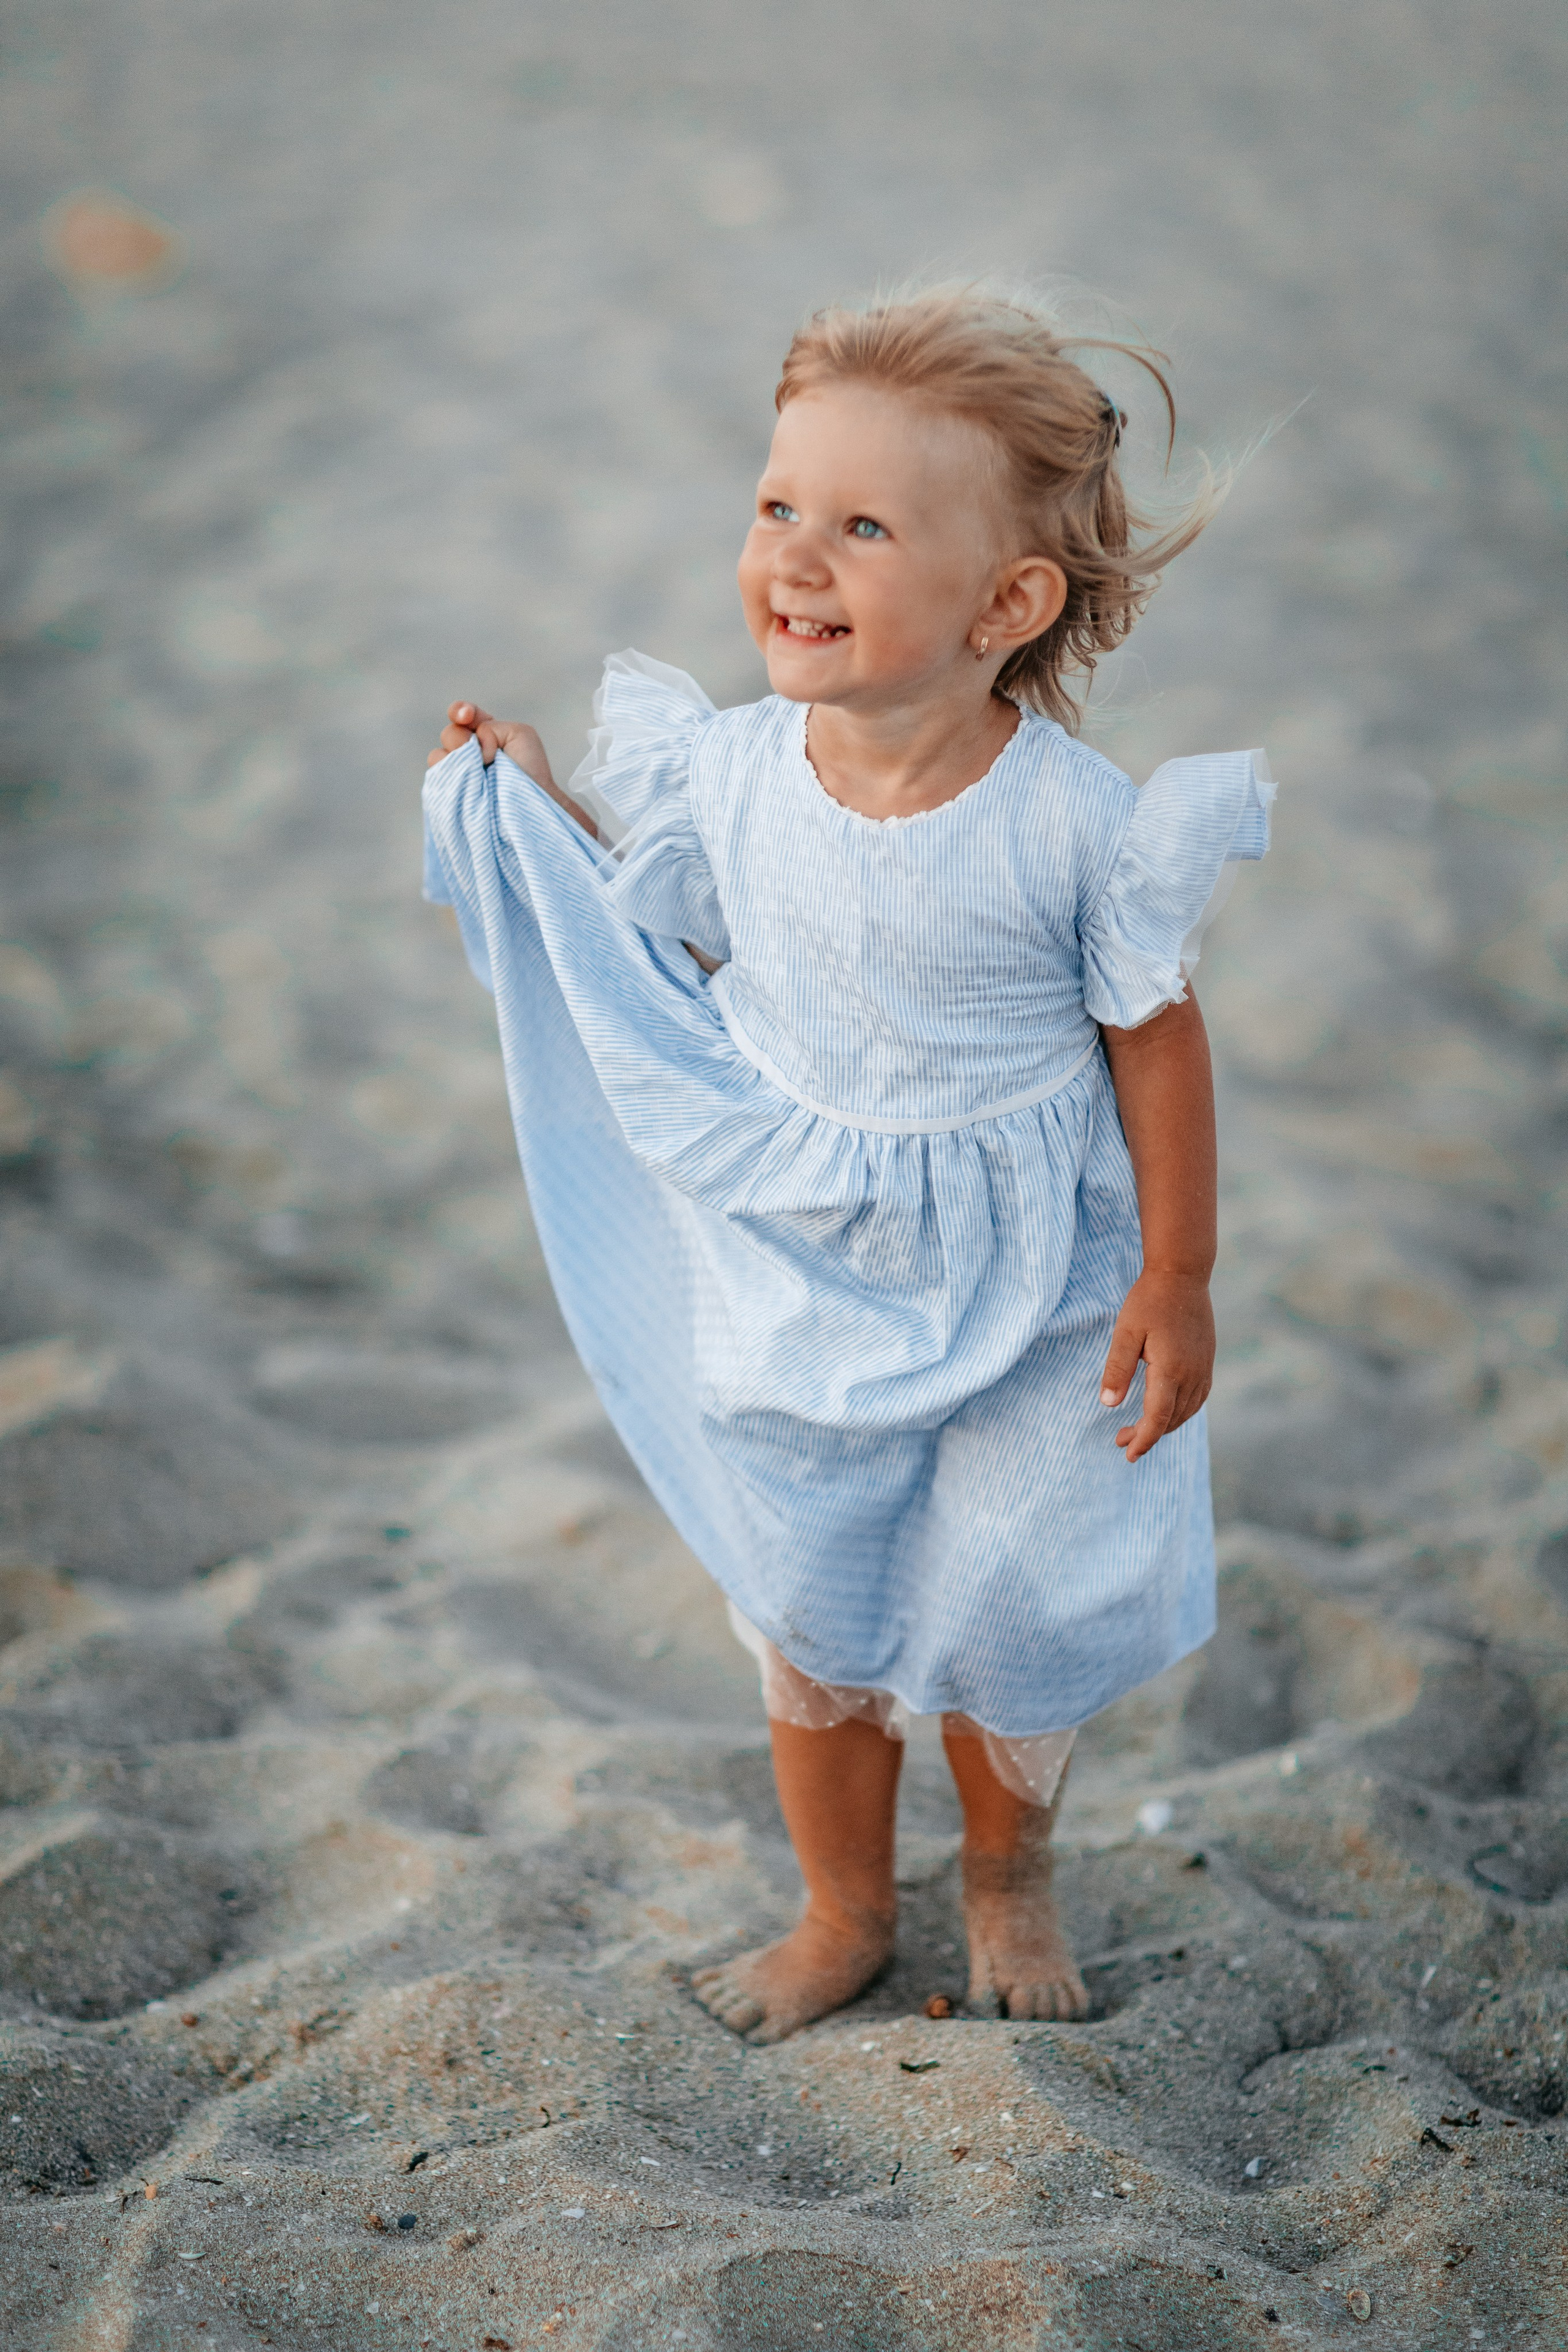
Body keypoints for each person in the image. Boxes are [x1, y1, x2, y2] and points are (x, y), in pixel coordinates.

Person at [421, 288, 1273, 2043]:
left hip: (1037, 1274)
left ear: (1007, 604)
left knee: (1012, 1593)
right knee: (813, 1600)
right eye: (778, 507)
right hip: (809, 1255)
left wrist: (1177, 1275)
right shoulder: (731, 776)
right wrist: (532, 801)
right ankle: (838, 1908)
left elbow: (1156, 1038)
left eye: (865, 527)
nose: (796, 558)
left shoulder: (1075, 827)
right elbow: (654, 910)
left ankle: (1005, 1873)